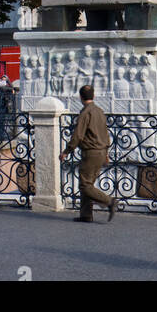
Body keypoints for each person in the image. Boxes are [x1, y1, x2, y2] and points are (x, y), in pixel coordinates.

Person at [59, 84, 117, 223]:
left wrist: (67, 151)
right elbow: (105, 133)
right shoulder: (99, 111)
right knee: (88, 183)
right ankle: (86, 215)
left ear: (80, 97)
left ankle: (110, 201)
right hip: (102, 150)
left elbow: (78, 135)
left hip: (91, 152)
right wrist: (106, 153)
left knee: (85, 185)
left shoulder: (85, 113)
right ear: (94, 96)